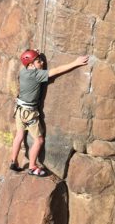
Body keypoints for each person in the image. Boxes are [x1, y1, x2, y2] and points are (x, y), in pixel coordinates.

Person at [9, 49, 89, 177]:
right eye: (38, 61)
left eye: (40, 60)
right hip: (29, 113)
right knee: (39, 140)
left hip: (19, 110)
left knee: (19, 135)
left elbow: (29, 61)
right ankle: (32, 166)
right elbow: (56, 71)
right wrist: (75, 63)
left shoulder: (24, 71)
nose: (41, 62)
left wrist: (33, 54)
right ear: (30, 65)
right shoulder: (36, 75)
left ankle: (13, 162)